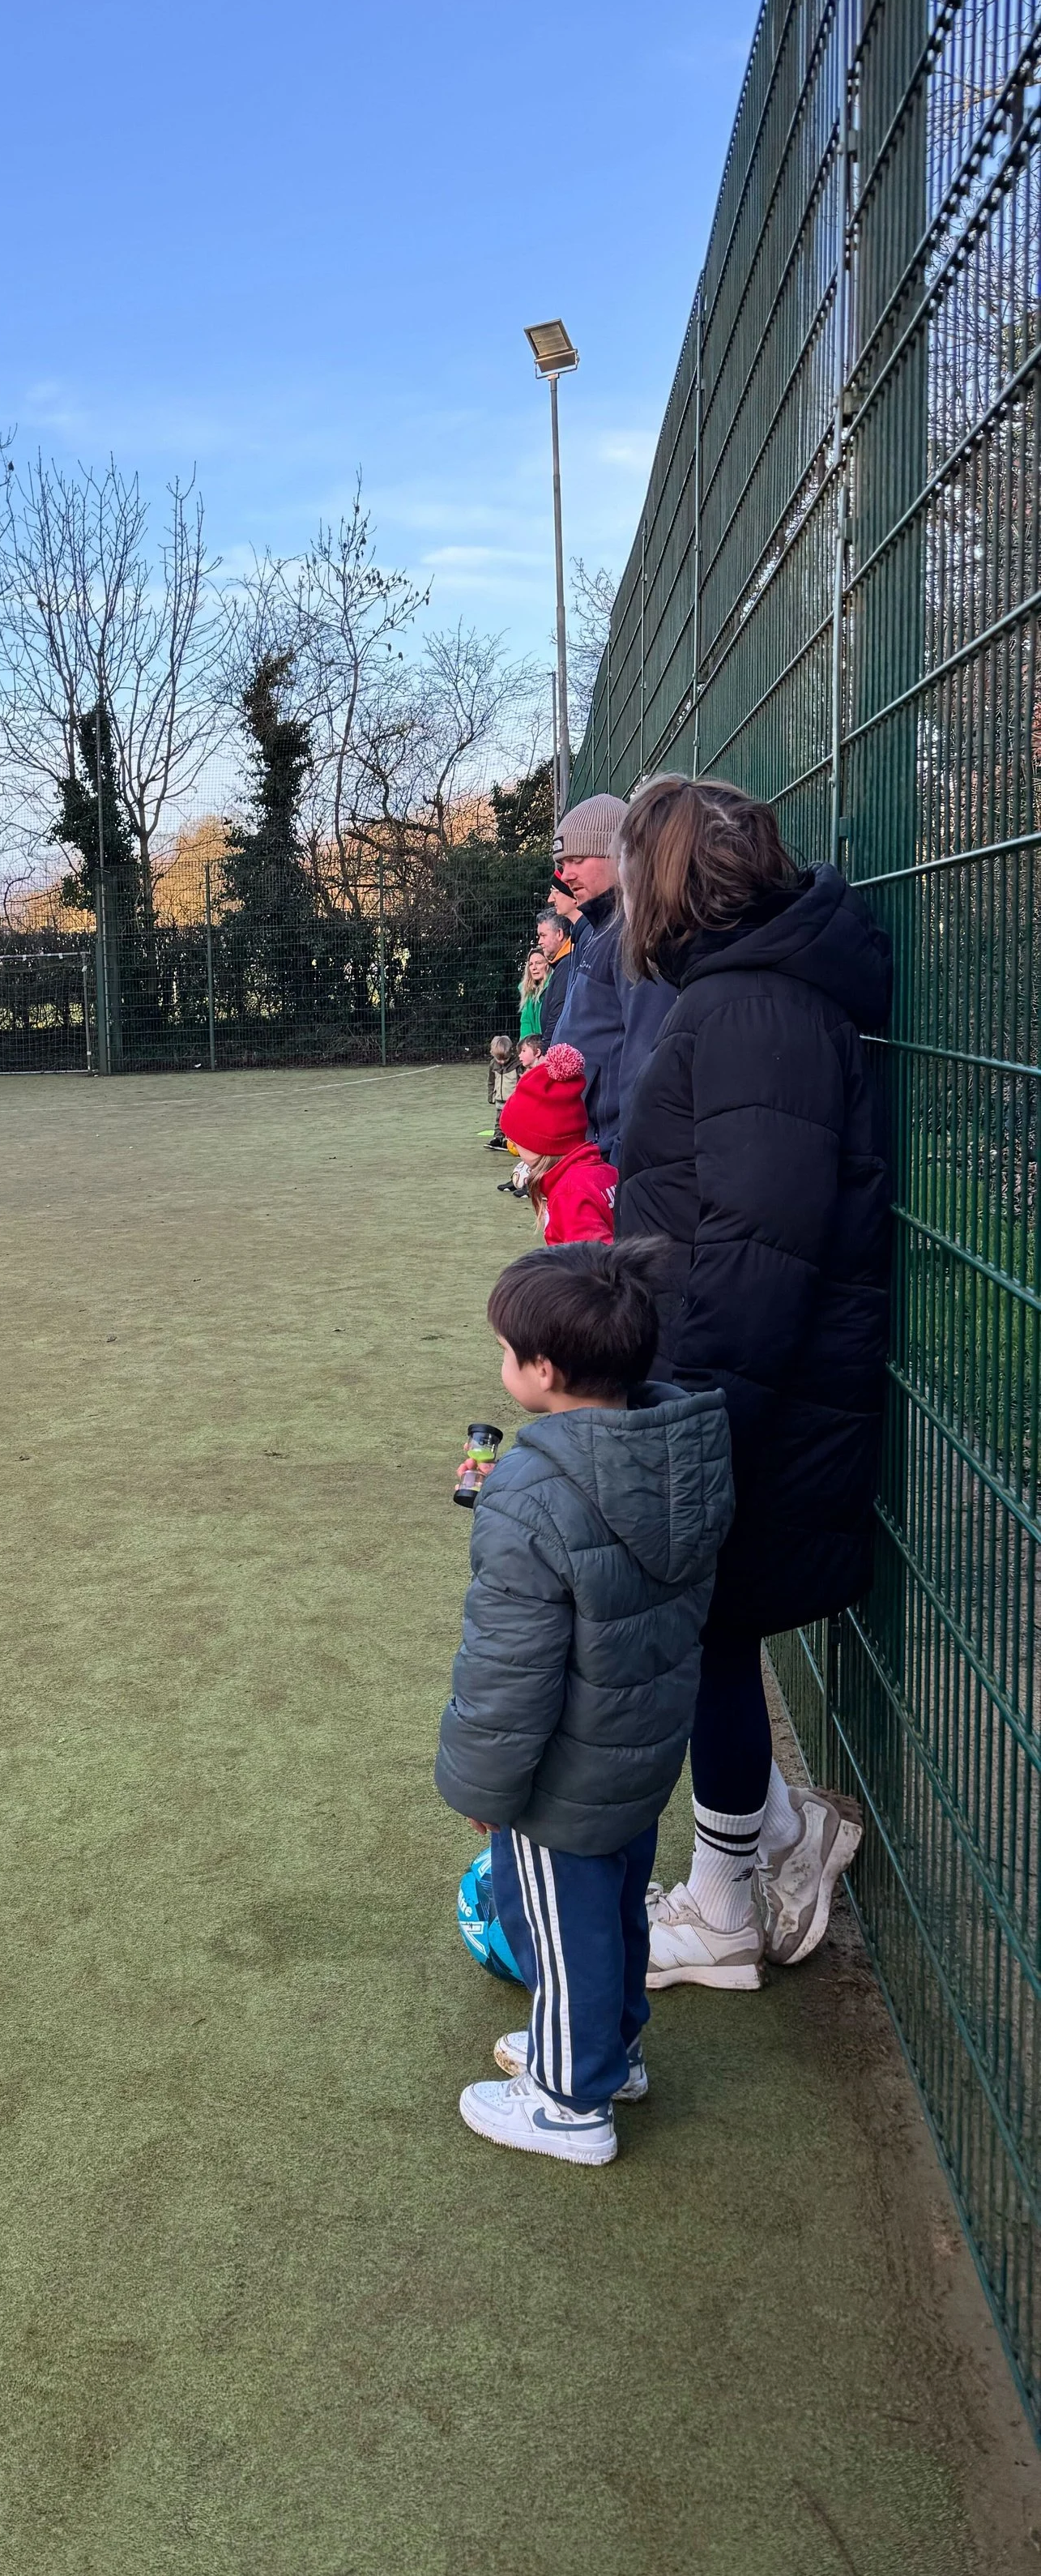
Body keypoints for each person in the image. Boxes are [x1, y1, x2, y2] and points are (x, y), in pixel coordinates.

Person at [613, 778, 888, 1988]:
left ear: (661, 879)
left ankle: (724, 1909)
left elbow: (758, 1247)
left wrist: (692, 1422)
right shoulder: (746, 996)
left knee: (706, 1632)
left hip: (744, 1395)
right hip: (742, 1382)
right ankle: (781, 1836)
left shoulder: (752, 1010)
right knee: (709, 1627)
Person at [437, 1242, 735, 2165]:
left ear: (544, 1372)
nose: (499, 1365)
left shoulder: (529, 1492)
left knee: (561, 1928)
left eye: (503, 1351)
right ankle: (610, 2054)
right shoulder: (680, 1452)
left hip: (563, 1769)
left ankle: (570, 2102)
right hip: (640, 1745)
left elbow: (508, 1666)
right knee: (613, 1910)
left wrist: (483, 1785)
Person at [551, 787, 680, 1162]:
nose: (566, 874)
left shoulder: (635, 932)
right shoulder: (599, 927)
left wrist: (620, 1156)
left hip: (612, 1149)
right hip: (591, 1139)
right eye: (563, 862)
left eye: (577, 859)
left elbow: (645, 1054)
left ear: (618, 854)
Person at [501, 1044, 615, 1245]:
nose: (514, 1147)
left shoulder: (570, 1195)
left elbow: (596, 1267)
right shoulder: (604, 1171)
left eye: (517, 1141)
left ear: (540, 1142)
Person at [532, 910, 574, 1046]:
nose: (540, 942)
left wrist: (546, 1049)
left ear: (560, 934)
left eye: (543, 935)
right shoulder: (564, 964)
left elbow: (558, 1011)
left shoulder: (566, 965)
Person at [517, 951, 548, 1047]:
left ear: (547, 965)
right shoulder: (528, 992)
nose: (534, 967)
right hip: (533, 1046)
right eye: (531, 964)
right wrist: (526, 1047)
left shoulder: (553, 987)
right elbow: (525, 1022)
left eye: (538, 963)